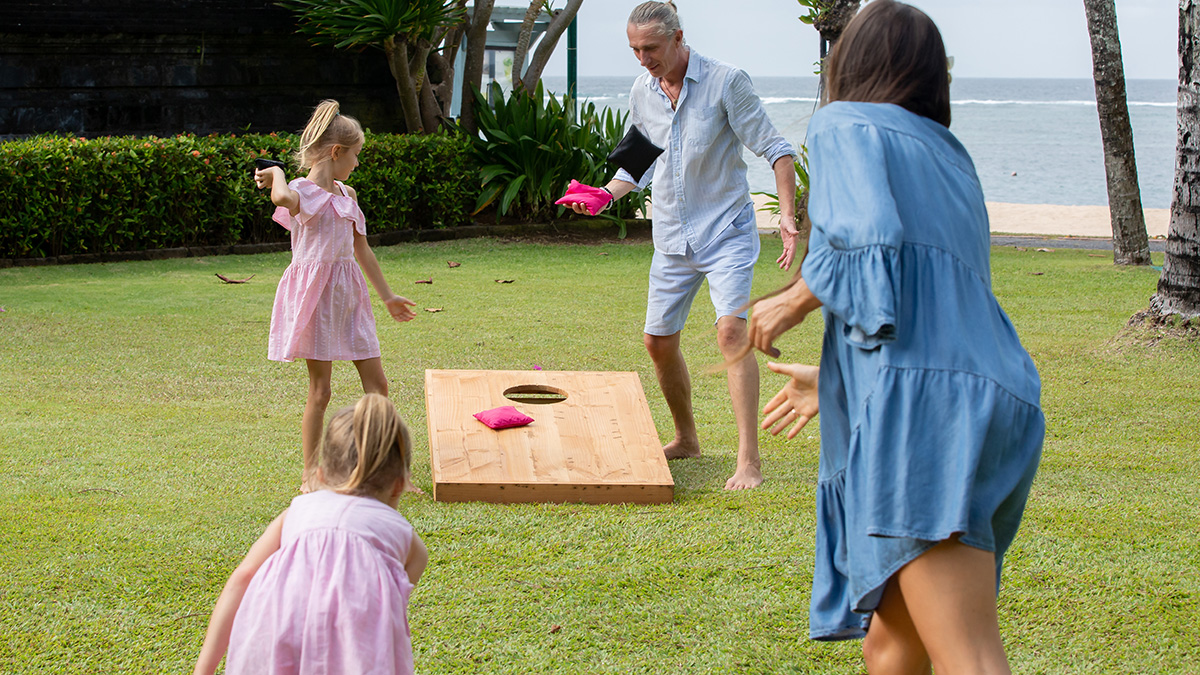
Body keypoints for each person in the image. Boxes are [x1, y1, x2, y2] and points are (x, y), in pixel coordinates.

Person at [747, 2, 1044, 672]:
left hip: (931, 414)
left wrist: (791, 302)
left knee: (966, 650)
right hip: (996, 398)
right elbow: (930, 296)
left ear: (848, 63)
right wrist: (834, 378)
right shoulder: (949, 156)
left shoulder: (842, 124)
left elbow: (870, 235)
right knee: (892, 646)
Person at [560, 0, 799, 490]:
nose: (643, 58)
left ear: (677, 37)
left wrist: (789, 219)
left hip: (725, 230)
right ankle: (687, 438)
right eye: (634, 49)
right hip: (671, 235)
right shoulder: (642, 89)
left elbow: (777, 150)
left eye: (650, 47)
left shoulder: (726, 81)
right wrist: (605, 195)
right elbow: (638, 161)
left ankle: (749, 459)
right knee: (657, 342)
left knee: (731, 334)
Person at [193, 393, 428, 675]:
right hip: (354, 652)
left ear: (321, 474)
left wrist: (204, 669)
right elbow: (388, 609)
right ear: (399, 484)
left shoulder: (297, 511)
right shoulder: (405, 538)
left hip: (276, 632)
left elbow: (243, 577)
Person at [254, 100, 416, 492]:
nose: (357, 164)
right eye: (356, 155)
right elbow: (280, 200)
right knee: (320, 391)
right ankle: (312, 475)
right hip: (315, 300)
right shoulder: (300, 192)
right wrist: (276, 171)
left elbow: (362, 249)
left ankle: (394, 472)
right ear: (336, 152)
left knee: (378, 386)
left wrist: (388, 297)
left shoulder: (348, 193)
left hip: (350, 297)